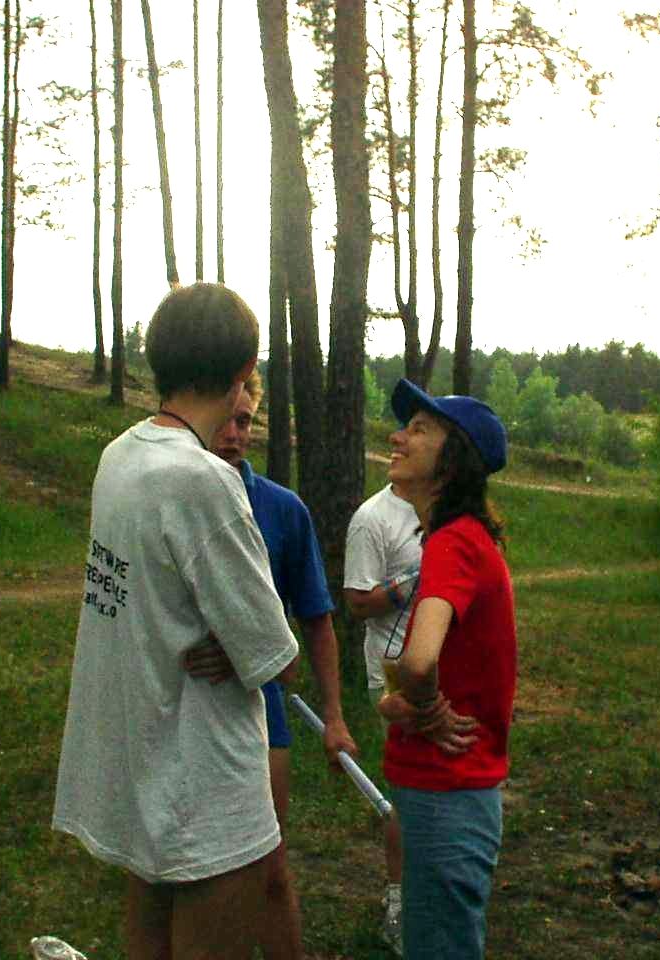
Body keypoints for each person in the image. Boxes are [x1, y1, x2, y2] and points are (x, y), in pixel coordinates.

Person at [52, 283, 301, 960]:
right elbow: (277, 660)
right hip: (206, 786)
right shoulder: (205, 481)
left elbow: (155, 597)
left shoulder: (120, 457)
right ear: (243, 371)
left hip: (146, 764)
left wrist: (229, 636)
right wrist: (245, 641)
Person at [182, 369, 357, 960]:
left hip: (263, 715)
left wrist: (335, 717)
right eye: (224, 420)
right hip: (180, 709)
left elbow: (316, 621)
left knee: (268, 871)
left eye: (245, 421)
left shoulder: (282, 510)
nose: (233, 434)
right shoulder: (171, 498)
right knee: (191, 875)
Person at [374, 378, 515, 960]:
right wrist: (405, 703)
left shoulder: (454, 543)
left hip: (446, 791)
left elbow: (419, 659)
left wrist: (426, 705)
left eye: (418, 429)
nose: (398, 437)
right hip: (448, 792)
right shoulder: (461, 538)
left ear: (453, 462)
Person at [343, 476, 421, 953]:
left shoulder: (446, 508)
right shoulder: (373, 518)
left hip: (443, 664)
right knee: (407, 788)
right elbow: (357, 602)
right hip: (391, 669)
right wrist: (412, 582)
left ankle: (434, 890)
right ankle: (399, 901)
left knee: (439, 784)